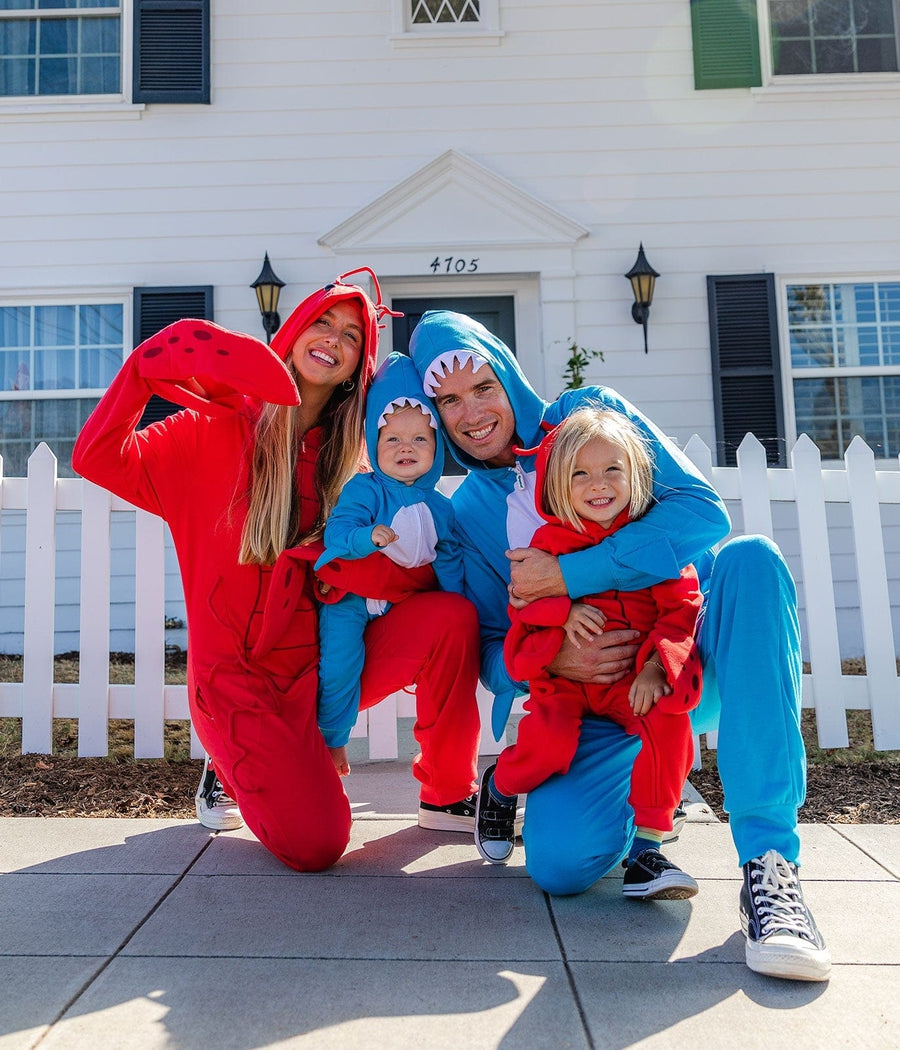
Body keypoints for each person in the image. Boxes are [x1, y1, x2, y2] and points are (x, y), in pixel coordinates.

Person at [409, 309, 831, 982]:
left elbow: (702, 514)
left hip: (679, 667)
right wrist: (551, 655)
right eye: (448, 400)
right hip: (592, 708)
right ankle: (634, 799)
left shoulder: (592, 416)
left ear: (508, 375)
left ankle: (770, 869)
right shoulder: (469, 515)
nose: (471, 412)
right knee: (558, 866)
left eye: (482, 386)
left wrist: (572, 573)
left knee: (751, 559)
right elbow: (492, 647)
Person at [71, 271, 481, 873]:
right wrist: (141, 371)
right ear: (290, 333)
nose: (333, 339)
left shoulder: (354, 466)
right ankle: (233, 762)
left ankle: (447, 794)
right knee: (317, 845)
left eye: (351, 335)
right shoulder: (210, 430)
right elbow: (97, 457)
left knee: (450, 616)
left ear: (356, 366)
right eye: (322, 321)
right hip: (240, 681)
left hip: (318, 665)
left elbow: (380, 575)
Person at [475, 407, 703, 903]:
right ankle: (500, 786)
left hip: (628, 684)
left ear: (636, 475)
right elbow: (523, 600)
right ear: (558, 485)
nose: (597, 484)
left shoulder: (649, 541)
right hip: (566, 688)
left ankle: (648, 847)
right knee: (549, 747)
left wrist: (653, 668)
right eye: (580, 473)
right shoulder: (549, 543)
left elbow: (682, 607)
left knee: (668, 718)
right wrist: (562, 612)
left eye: (611, 470)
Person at [313, 351, 467, 783]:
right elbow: (338, 534)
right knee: (340, 663)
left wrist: (454, 598)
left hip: (402, 601)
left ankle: (444, 772)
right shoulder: (364, 489)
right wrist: (369, 536)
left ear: (436, 449)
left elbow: (449, 557)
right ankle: (332, 737)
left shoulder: (441, 507)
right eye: (392, 439)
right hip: (352, 597)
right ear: (373, 445)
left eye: (419, 439)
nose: (405, 448)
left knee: (436, 635)